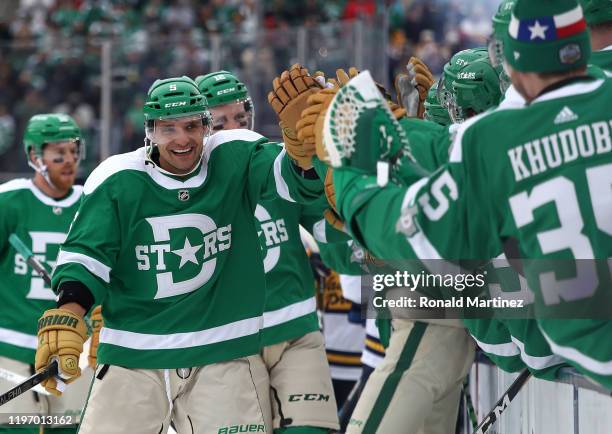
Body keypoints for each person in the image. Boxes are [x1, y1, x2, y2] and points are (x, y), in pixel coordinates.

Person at [319, 0, 612, 390]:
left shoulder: (496, 139)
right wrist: (404, 130)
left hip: (571, 342)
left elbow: (417, 238)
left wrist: (351, 178)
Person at [35, 75, 325, 434]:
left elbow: (293, 181)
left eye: (191, 126)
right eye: (168, 128)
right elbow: (87, 256)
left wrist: (304, 153)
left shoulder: (235, 154)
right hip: (134, 356)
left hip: (224, 352)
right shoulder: (117, 178)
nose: (182, 138)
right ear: (150, 132)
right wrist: (69, 313)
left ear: (206, 127)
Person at [195, 70, 339, 434]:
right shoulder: (181, 187)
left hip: (295, 331)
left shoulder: (279, 165)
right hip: (226, 343)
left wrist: (336, 182)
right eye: (221, 122)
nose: (235, 130)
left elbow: (338, 248)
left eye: (241, 119)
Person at [0, 113, 92, 432]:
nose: (68, 161)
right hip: (12, 349)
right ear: (33, 156)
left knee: (70, 428)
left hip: (72, 349)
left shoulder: (91, 204)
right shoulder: (9, 202)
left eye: (73, 152)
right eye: (58, 154)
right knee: (15, 428)